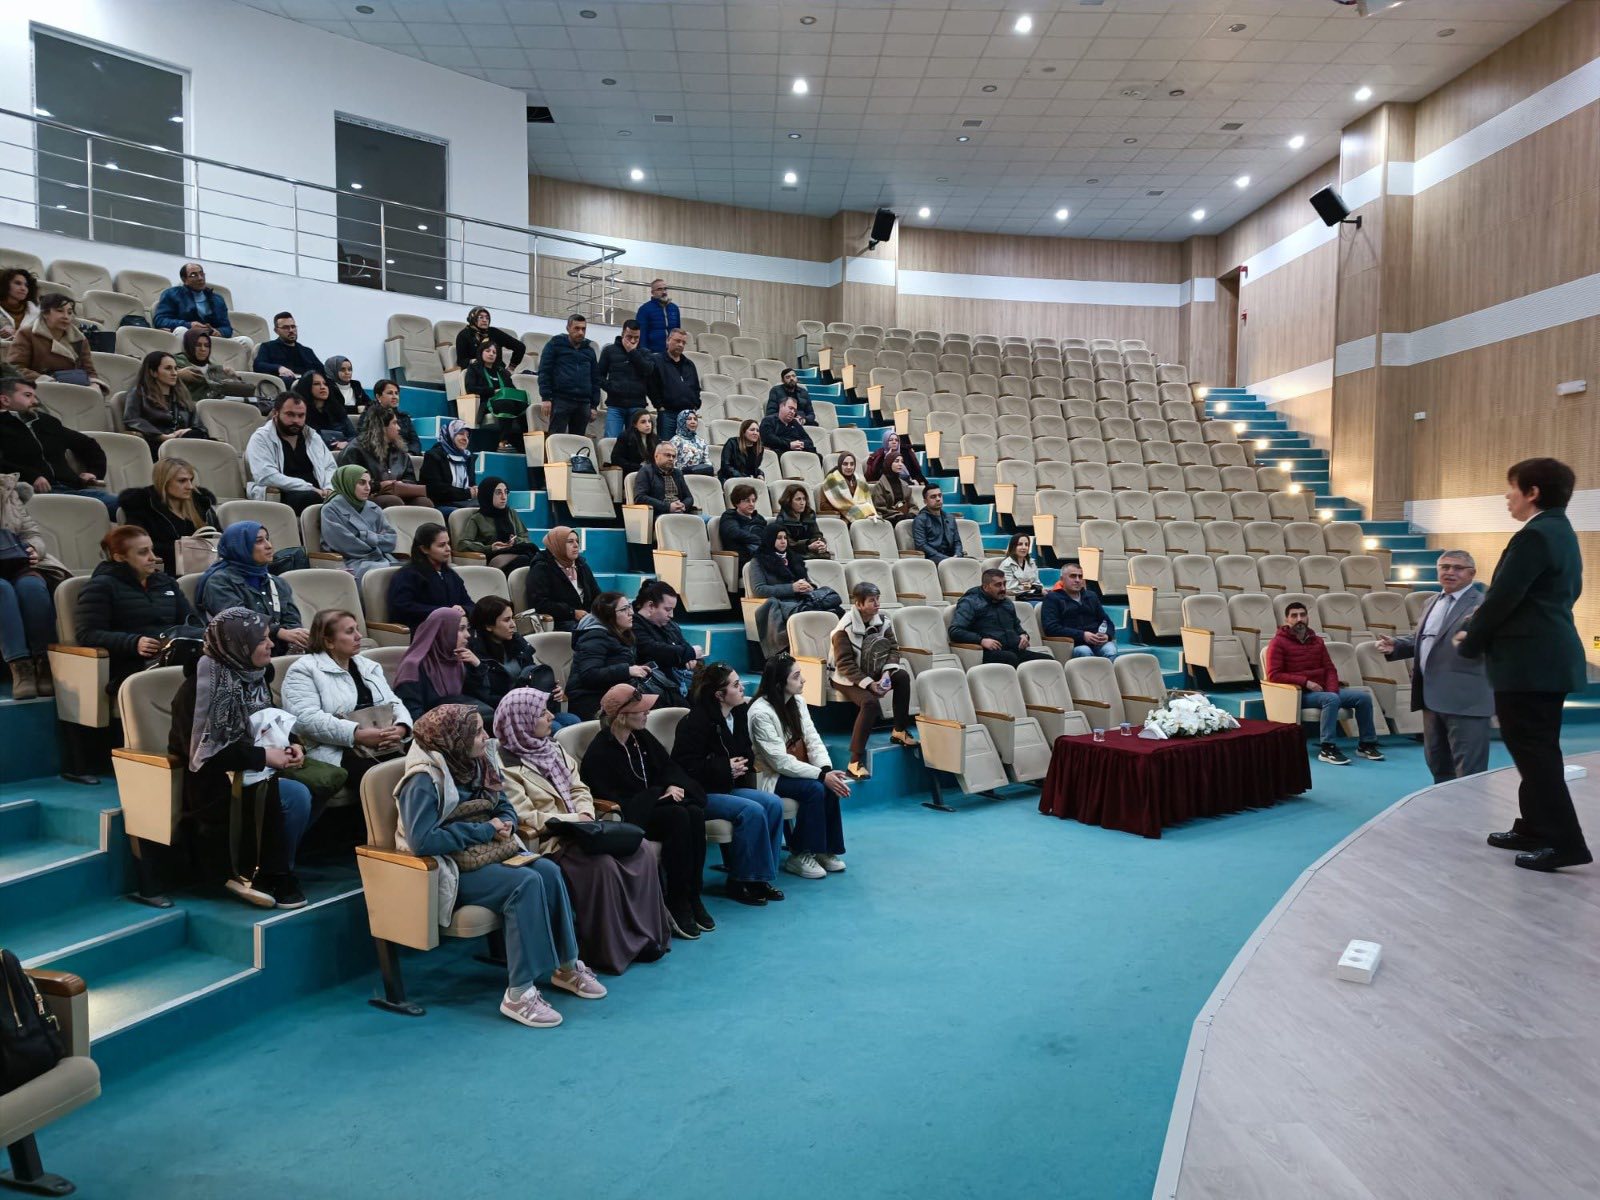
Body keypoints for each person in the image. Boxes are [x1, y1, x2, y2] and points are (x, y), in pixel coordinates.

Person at [395, 704, 604, 1028]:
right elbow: (423, 842)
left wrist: (504, 822)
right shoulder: (423, 778)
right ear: (456, 738)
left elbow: (504, 805)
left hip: (488, 850)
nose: (486, 736)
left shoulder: (480, 761)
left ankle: (567, 965)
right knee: (524, 882)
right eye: (477, 731)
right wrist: (485, 830)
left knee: (548, 870)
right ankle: (519, 993)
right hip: (445, 866)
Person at [1458, 458, 1590, 871]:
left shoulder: (1534, 535)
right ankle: (1534, 826)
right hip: (1546, 657)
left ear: (1532, 492)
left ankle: (1565, 842)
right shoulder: (1560, 531)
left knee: (1535, 754)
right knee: (1536, 749)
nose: (1506, 495)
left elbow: (1504, 597)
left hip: (1529, 662)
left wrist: (1472, 639)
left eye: (1512, 487)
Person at [494, 687, 669, 972]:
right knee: (603, 867)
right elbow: (524, 814)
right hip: (553, 840)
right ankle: (610, 950)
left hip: (586, 827)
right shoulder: (504, 766)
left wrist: (585, 811)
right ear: (521, 721)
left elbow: (579, 787)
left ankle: (646, 936)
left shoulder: (554, 748)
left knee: (643, 850)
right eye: (542, 713)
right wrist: (571, 821)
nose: (551, 716)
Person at [170, 607, 315, 910]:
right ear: (239, 644)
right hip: (214, 782)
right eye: (262, 639)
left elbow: (270, 720)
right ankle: (264, 872)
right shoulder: (199, 689)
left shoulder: (253, 675)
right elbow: (205, 754)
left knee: (306, 787)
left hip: (254, 769)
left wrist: (292, 744)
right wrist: (265, 756)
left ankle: (275, 867)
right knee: (293, 795)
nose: (272, 644)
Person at [579, 682, 711, 939]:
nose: (647, 713)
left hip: (655, 805)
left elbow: (667, 767)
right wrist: (658, 795)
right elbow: (613, 800)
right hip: (631, 815)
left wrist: (672, 785)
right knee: (678, 816)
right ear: (621, 716)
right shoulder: (600, 752)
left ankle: (692, 894)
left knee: (693, 811)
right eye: (641, 710)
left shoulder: (641, 738)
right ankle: (676, 898)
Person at [671, 663, 787, 907]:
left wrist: (740, 765)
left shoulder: (739, 713)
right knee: (751, 810)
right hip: (702, 793)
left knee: (773, 804)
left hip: (729, 785)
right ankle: (740, 880)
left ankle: (761, 877)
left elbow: (745, 751)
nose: (741, 687)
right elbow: (685, 767)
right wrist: (724, 767)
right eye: (735, 685)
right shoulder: (695, 722)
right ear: (719, 695)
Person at [1376, 551, 1491, 784]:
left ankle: (1471, 818)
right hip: (1431, 697)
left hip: (1466, 700)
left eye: (1457, 568)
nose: (1450, 572)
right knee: (1438, 763)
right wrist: (1397, 645)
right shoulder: (1431, 602)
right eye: (1444, 567)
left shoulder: (1484, 605)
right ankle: (1444, 812)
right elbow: (1429, 639)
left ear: (1472, 573)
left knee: (1469, 770)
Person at [280, 608, 411, 785]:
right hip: (338, 749)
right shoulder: (303, 670)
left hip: (384, 742)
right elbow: (306, 719)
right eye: (350, 631)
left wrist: (401, 727)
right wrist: (356, 734)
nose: (359, 636)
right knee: (383, 779)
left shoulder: (368, 666)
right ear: (328, 641)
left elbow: (393, 702)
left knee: (427, 762)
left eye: (357, 629)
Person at [747, 654, 849, 880]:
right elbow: (779, 762)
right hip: (769, 774)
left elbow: (813, 739)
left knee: (829, 784)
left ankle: (824, 850)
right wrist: (821, 777)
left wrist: (825, 770)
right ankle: (799, 853)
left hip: (796, 769)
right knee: (815, 788)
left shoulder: (798, 702)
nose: (803, 680)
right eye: (796, 676)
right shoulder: (760, 712)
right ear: (779, 683)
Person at [76, 525, 199, 697]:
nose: (153, 558)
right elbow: (87, 634)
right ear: (120, 558)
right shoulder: (101, 586)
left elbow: (190, 622)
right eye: (143, 553)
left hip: (171, 655)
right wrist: (134, 642)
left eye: (152, 550)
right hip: (131, 663)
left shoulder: (165, 582)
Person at [1264, 600, 1383, 766]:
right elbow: (1274, 675)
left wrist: (1333, 690)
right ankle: (1327, 748)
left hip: (1323, 692)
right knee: (1331, 700)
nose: (1299, 619)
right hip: (1298, 694)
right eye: (1294, 616)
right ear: (1286, 620)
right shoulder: (1278, 643)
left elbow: (1330, 669)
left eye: (1302, 615)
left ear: (1307, 618)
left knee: (1363, 698)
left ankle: (1366, 744)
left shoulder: (1317, 641)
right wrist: (1306, 682)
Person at [831, 582, 915, 779]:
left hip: (875, 670)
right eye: (872, 600)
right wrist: (870, 684)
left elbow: (893, 649)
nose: (877, 604)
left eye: (878, 599)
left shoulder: (883, 620)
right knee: (869, 702)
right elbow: (844, 665)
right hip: (845, 677)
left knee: (901, 676)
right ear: (859, 604)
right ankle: (854, 761)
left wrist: (886, 674)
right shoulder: (844, 628)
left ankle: (899, 730)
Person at [0, 378, 116, 517]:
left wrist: (94, 472)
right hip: (27, 496)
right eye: (27, 395)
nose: (35, 401)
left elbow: (88, 445)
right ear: (5, 400)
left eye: (35, 396)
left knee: (130, 503)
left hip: (71, 490)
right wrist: (31, 477)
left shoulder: (47, 422)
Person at [0, 470, 67, 699]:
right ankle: (21, 667)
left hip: (14, 561)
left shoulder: (7, 489)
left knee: (32, 588)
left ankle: (44, 662)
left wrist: (33, 549)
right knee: (3, 590)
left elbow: (31, 532)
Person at [195, 522, 309, 654]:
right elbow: (237, 621)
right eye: (259, 541)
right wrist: (278, 632)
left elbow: (292, 620)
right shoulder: (220, 582)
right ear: (240, 547)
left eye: (267, 539)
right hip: (241, 655)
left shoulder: (277, 582)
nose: (269, 546)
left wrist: (297, 637)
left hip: (278, 651)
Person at [467, 596, 577, 727]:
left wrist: (552, 689)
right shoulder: (475, 656)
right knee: (554, 727)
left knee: (572, 720)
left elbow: (533, 673)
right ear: (488, 626)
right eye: (507, 620)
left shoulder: (517, 643)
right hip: (508, 714)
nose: (513, 625)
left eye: (512, 618)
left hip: (533, 709)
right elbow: (485, 697)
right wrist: (520, 700)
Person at [748, 523, 842, 657]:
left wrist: (809, 586)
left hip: (802, 598)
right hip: (782, 602)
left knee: (835, 610)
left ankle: (835, 651)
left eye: (785, 538)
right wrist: (791, 588)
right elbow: (759, 589)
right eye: (779, 538)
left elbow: (805, 581)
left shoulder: (793, 558)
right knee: (809, 610)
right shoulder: (758, 561)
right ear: (770, 539)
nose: (783, 541)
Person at [116, 457, 221, 575]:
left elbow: (220, 538)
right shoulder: (143, 507)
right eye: (182, 481)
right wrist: (183, 549)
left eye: (191, 480)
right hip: (163, 573)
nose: (190, 486)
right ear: (164, 482)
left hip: (206, 569)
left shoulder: (202, 505)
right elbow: (138, 547)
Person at [244, 391, 336, 513]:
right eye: (290, 415)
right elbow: (266, 476)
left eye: (301, 415)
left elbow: (329, 466)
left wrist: (329, 488)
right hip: (285, 493)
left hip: (319, 492)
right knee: (309, 498)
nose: (296, 420)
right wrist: (309, 488)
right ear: (276, 413)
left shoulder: (312, 436)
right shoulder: (261, 438)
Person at [567, 592, 652, 720]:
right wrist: (627, 670)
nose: (631, 613)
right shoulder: (594, 636)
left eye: (630, 607)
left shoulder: (622, 634)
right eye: (624, 609)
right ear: (609, 615)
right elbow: (589, 674)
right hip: (590, 699)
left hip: (615, 694)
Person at [394, 607, 489, 719]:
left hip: (465, 727)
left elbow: (482, 699)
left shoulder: (457, 659)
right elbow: (412, 715)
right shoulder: (412, 666)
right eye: (461, 629)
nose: (468, 635)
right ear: (442, 631)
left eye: (467, 628)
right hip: (432, 732)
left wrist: (478, 666)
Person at [6, 293, 106, 394]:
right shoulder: (27, 334)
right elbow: (15, 368)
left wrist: (94, 384)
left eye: (70, 312)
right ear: (45, 313)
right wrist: (46, 380)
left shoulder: (80, 339)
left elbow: (90, 371)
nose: (66, 316)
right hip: (36, 390)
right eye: (60, 311)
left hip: (74, 390)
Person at [950, 569, 1050, 667]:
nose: (1003, 588)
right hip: (988, 653)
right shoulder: (970, 602)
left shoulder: (1006, 602)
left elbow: (1017, 627)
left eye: (1004, 584)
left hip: (1014, 650)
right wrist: (981, 640)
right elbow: (955, 631)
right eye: (998, 585)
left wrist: (1023, 635)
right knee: (1010, 658)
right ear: (985, 587)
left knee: (1048, 661)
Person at [122, 351, 209, 457]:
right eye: (168, 368)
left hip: (185, 443)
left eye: (175, 368)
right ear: (153, 372)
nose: (174, 373)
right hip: (156, 446)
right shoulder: (138, 393)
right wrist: (162, 436)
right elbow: (132, 420)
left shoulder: (183, 396)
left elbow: (200, 428)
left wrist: (189, 430)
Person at [318, 465, 398, 580]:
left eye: (369, 483)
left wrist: (363, 535)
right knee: (381, 574)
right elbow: (346, 545)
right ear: (348, 483)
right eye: (361, 483)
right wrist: (376, 539)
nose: (368, 488)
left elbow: (391, 540)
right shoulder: (330, 509)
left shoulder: (374, 507)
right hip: (349, 562)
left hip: (382, 559)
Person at [387, 523, 472, 630]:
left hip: (455, 628)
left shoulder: (451, 575)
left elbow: (469, 603)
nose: (448, 549)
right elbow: (403, 608)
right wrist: (445, 612)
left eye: (448, 544)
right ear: (424, 549)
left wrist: (463, 609)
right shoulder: (407, 575)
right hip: (425, 632)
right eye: (441, 545)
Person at [339, 406, 427, 507]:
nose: (399, 428)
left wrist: (400, 485)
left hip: (398, 494)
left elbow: (410, 478)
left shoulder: (400, 451)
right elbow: (350, 483)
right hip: (368, 495)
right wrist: (379, 486)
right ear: (381, 427)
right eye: (394, 423)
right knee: (393, 501)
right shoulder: (355, 450)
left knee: (424, 502)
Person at [633, 579, 701, 703]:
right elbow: (654, 650)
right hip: (658, 689)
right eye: (668, 609)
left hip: (679, 683)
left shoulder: (671, 625)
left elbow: (685, 648)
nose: (671, 615)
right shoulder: (633, 626)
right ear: (651, 606)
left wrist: (692, 658)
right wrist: (689, 653)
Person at [525, 526, 600, 632]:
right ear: (557, 545)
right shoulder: (541, 568)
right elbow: (540, 604)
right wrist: (572, 612)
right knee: (594, 633)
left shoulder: (582, 565)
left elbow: (596, 594)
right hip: (560, 621)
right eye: (570, 542)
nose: (576, 545)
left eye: (577, 541)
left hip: (586, 618)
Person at [536, 313, 600, 436]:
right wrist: (546, 398)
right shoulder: (554, 345)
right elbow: (544, 371)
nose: (581, 332)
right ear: (568, 328)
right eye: (577, 328)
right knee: (555, 438)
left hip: (583, 403)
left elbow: (595, 379)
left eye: (583, 329)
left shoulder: (590, 351)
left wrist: (594, 406)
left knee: (578, 442)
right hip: (561, 399)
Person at [457, 476, 535, 573]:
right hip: (496, 557)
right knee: (526, 560)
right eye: (498, 493)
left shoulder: (511, 513)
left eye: (506, 492)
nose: (504, 497)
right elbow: (463, 544)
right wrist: (490, 548)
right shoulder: (477, 518)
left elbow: (524, 536)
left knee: (538, 559)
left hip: (516, 551)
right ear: (487, 495)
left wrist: (515, 541)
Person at [1041, 562, 1118, 655]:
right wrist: (1082, 635)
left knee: (1110, 649)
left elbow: (1107, 622)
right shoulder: (1052, 598)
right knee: (1084, 651)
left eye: (1080, 576)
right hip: (1074, 644)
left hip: (1097, 642)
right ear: (1062, 579)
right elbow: (1051, 628)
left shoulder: (1091, 596)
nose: (1077, 580)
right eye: (1073, 576)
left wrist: (1107, 635)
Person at [464, 339, 526, 452]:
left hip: (504, 401)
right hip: (486, 402)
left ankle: (524, 445)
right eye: (488, 351)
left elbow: (511, 389)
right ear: (481, 352)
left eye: (494, 352)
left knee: (523, 406)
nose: (491, 354)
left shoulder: (502, 371)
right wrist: (493, 391)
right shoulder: (474, 368)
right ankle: (503, 442)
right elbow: (470, 389)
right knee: (506, 404)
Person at [597, 318, 654, 439]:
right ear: (622, 334)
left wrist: (632, 352)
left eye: (636, 338)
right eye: (629, 337)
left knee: (636, 443)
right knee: (611, 440)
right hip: (615, 405)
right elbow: (598, 376)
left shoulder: (645, 352)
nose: (633, 341)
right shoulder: (609, 351)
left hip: (637, 405)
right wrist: (611, 388)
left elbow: (648, 370)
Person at [152, 263, 233, 337]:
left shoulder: (217, 299)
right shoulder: (171, 294)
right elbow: (160, 320)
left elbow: (227, 328)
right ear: (185, 280)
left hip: (210, 337)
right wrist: (189, 325)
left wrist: (220, 331)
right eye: (194, 275)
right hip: (188, 334)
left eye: (201, 274)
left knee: (244, 340)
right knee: (181, 330)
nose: (200, 278)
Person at [646, 328, 700, 440]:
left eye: (683, 342)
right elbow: (651, 385)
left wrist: (695, 405)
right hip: (667, 413)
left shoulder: (689, 364)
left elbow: (696, 387)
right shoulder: (656, 360)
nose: (680, 344)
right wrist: (659, 406)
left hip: (687, 415)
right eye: (677, 341)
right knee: (666, 447)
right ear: (668, 340)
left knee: (686, 450)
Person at [420, 418, 477, 516]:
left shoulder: (467, 458)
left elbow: (471, 484)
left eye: (467, 436)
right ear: (450, 434)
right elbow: (435, 490)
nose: (465, 438)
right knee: (465, 514)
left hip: (465, 502)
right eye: (461, 433)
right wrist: (467, 493)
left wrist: (475, 490)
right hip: (442, 503)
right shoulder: (433, 456)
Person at [292, 369, 355, 452]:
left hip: (344, 452)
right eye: (316, 384)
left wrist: (346, 444)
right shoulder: (300, 413)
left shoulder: (337, 410)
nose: (323, 387)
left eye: (325, 384)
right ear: (306, 387)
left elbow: (353, 436)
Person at [633, 442, 698, 517]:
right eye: (667, 455)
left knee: (710, 521)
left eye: (673, 456)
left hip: (680, 512)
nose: (671, 459)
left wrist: (683, 505)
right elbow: (640, 497)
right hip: (659, 514)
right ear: (656, 456)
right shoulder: (646, 471)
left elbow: (689, 498)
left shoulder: (677, 473)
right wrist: (668, 507)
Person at [452, 306, 525, 372]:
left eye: (487, 318)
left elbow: (520, 347)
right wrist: (479, 361)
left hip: (498, 372)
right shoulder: (464, 335)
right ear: (473, 319)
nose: (485, 320)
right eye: (481, 317)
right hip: (476, 373)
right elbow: (461, 361)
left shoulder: (494, 332)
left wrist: (511, 368)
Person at [252, 312, 320, 380]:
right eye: (286, 327)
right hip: (285, 386)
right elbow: (258, 365)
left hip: (310, 385)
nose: (291, 330)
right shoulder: (268, 347)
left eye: (293, 327)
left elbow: (322, 371)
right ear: (276, 331)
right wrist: (279, 368)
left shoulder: (307, 351)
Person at [774, 482, 830, 559]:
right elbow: (788, 543)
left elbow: (816, 534)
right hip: (793, 554)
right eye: (798, 499)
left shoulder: (809, 516)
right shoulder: (781, 520)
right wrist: (808, 546)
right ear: (789, 501)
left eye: (804, 499)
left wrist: (820, 543)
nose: (802, 503)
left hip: (809, 552)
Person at [819, 452, 877, 523]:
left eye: (852, 464)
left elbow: (868, 502)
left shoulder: (861, 480)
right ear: (840, 465)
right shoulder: (831, 480)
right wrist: (845, 511)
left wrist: (858, 511)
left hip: (863, 518)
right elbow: (823, 506)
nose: (849, 467)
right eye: (845, 464)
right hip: (841, 520)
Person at [718, 483, 766, 567]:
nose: (752, 504)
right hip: (743, 560)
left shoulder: (759, 518)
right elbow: (734, 532)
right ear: (737, 502)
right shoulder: (730, 515)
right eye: (747, 501)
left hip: (762, 555)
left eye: (753, 501)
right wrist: (760, 540)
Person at [868, 444, 918, 523]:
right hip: (890, 519)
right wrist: (898, 515)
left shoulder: (904, 484)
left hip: (904, 518)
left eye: (902, 461)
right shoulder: (880, 485)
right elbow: (880, 508)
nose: (900, 464)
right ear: (889, 463)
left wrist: (911, 514)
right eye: (896, 461)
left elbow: (913, 505)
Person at [912, 485, 963, 563]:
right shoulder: (920, 520)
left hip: (952, 557)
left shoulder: (950, 518)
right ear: (925, 501)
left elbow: (957, 542)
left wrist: (957, 555)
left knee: (973, 564)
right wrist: (946, 559)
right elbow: (921, 545)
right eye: (933, 497)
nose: (938, 499)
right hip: (933, 559)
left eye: (940, 495)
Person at [371, 378, 420, 453]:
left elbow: (415, 442)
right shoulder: (370, 416)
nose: (395, 397)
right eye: (390, 393)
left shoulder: (404, 418)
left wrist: (409, 453)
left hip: (406, 456)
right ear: (378, 397)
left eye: (396, 393)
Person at [634, 278, 680, 355]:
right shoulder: (644, 309)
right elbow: (642, 334)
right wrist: (645, 354)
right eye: (660, 289)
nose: (664, 292)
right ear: (652, 292)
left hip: (671, 353)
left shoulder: (674, 308)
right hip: (653, 353)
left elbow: (678, 332)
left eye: (665, 289)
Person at [610, 408, 657, 477]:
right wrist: (639, 467)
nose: (648, 425)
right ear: (635, 425)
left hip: (651, 473)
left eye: (649, 421)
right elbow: (616, 459)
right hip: (631, 473)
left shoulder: (655, 438)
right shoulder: (625, 437)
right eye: (643, 422)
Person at [668, 408, 715, 477]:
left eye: (695, 419)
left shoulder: (701, 442)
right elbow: (672, 464)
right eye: (689, 419)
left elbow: (707, 462)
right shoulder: (675, 440)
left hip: (700, 476)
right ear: (682, 421)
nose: (693, 422)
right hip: (681, 477)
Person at [1000, 533, 1045, 600]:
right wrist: (1030, 587)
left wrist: (1030, 586)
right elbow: (1009, 587)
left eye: (1026, 545)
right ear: (1013, 546)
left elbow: (1038, 582)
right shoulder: (1006, 564)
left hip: (1032, 595)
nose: (1024, 547)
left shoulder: (1032, 562)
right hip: (1015, 598)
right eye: (1020, 544)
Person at [0, 267, 39, 339]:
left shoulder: (34, 310)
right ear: (5, 285)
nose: (23, 288)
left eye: (26, 285)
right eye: (18, 283)